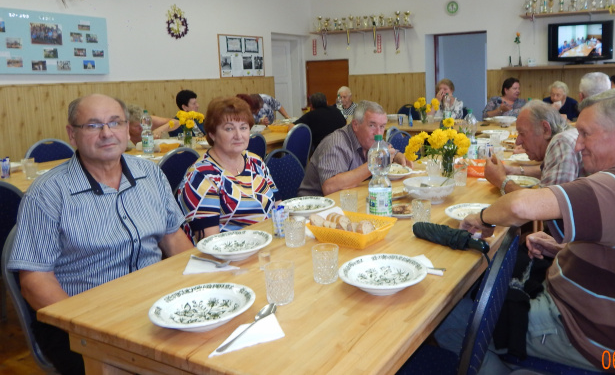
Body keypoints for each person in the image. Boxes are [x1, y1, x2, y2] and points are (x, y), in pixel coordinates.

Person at [454, 89, 615, 373]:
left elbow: (519, 206)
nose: (578, 146)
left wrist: (482, 217)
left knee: (452, 319)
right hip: (611, 321)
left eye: (586, 134)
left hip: (580, 333)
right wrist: (563, 250)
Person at [8, 94, 194, 374]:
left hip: (154, 303)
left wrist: (199, 286)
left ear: (127, 129)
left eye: (115, 123)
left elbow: (173, 237)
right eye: (93, 126)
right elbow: (35, 282)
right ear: (73, 134)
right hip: (80, 319)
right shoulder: (47, 193)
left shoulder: (150, 174)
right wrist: (89, 328)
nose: (107, 133)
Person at [178, 96, 278, 243]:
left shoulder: (255, 161)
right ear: (212, 133)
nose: (238, 135)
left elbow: (278, 206)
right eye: (229, 128)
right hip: (229, 258)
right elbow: (211, 243)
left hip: (267, 246)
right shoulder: (201, 176)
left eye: (243, 127)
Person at [297, 100, 411, 197]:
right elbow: (330, 187)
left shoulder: (371, 139)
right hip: (313, 211)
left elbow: (386, 149)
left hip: (351, 200)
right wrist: (374, 164)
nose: (378, 133)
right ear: (355, 125)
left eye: (382, 127)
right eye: (372, 125)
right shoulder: (336, 143)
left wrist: (397, 156)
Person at [484, 100, 584, 195]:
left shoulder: (561, 143)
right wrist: (510, 170)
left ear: (545, 129)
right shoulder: (565, 136)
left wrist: (501, 180)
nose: (518, 141)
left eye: (522, 133)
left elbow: (544, 206)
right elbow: (550, 171)